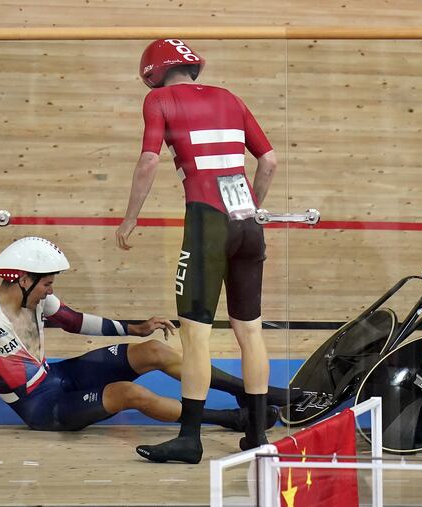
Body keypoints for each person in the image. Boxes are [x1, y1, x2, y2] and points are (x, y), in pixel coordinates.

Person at [0, 236, 287, 445]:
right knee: (128, 393)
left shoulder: (38, 300)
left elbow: (76, 322)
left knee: (151, 350)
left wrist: (133, 329)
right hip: (40, 407)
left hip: (57, 377)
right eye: (47, 283)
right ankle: (232, 419)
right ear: (24, 280)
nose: (51, 290)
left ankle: (244, 391)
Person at [116, 39, 279, 464]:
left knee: (196, 335)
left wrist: (130, 216)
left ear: (153, 72)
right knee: (251, 332)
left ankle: (190, 438)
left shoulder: (160, 100)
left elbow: (149, 160)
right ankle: (259, 437)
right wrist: (253, 210)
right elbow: (270, 161)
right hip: (248, 222)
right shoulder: (230, 98)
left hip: (207, 222)